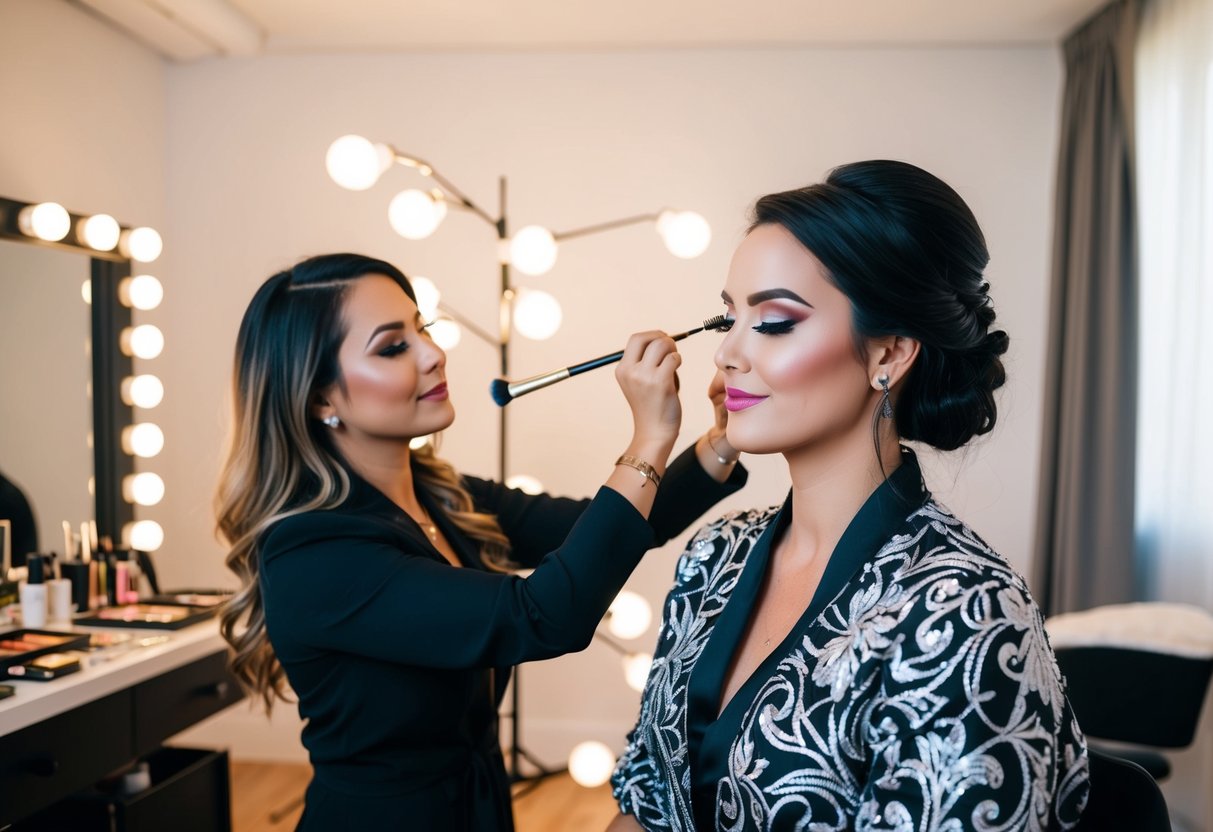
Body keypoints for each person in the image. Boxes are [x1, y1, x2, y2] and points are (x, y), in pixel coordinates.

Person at [609, 161, 1090, 831]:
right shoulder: (713, 556)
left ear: (887, 354)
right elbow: (644, 802)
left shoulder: (963, 616)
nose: (727, 355)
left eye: (774, 322)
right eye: (727, 319)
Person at [215, 253, 747, 831]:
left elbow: (597, 529)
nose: (432, 354)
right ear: (319, 398)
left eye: (423, 329)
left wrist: (720, 442)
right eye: (393, 346)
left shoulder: (440, 496)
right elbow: (545, 615)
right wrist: (648, 437)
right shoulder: (313, 552)